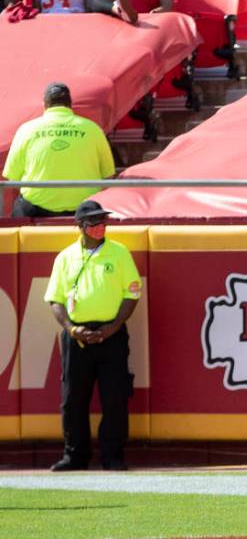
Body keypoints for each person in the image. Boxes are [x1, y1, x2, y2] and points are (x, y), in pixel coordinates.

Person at [44, 200, 142, 471]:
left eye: (103, 222)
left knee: (115, 397)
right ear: (80, 226)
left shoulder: (119, 253)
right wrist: (71, 328)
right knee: (73, 398)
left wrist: (113, 326)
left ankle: (112, 455)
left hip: (112, 332)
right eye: (94, 223)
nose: (100, 227)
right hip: (77, 335)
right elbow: (55, 299)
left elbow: (131, 293)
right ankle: (74, 456)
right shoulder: (65, 257)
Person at [2, 83, 115, 218]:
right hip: (84, 211)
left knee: (20, 206)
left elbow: (12, 177)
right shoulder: (93, 129)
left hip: (35, 209)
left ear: (44, 105)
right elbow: (108, 175)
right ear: (70, 104)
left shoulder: (26, 130)